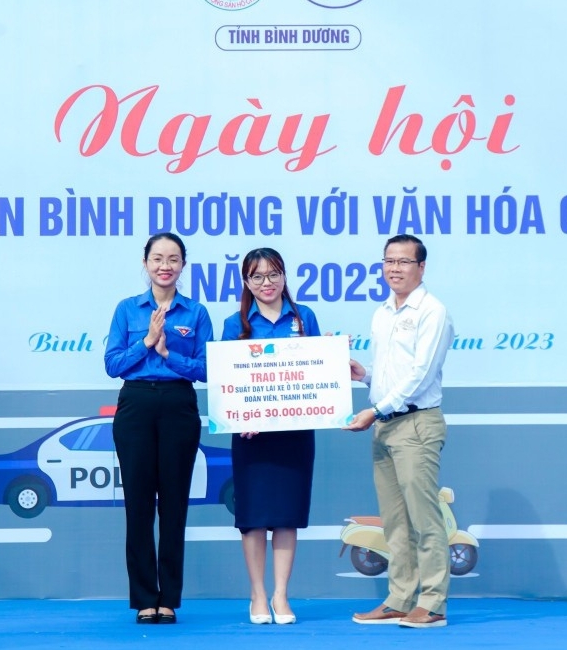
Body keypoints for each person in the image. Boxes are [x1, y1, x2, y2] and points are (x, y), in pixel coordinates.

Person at [343, 234, 455, 629]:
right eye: (389, 261)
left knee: (424, 519)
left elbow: (421, 375)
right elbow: (393, 373)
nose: (395, 268)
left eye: (404, 261)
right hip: (385, 425)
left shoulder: (433, 311)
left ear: (421, 267)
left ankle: (433, 603)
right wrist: (364, 375)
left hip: (415, 424)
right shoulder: (382, 312)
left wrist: (375, 410)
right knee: (395, 522)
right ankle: (400, 599)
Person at [104, 232, 213, 625]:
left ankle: (168, 598)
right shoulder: (127, 309)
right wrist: (147, 342)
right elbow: (113, 365)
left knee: (173, 504)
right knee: (137, 505)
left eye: (173, 259)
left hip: (178, 405)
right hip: (136, 405)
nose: (165, 266)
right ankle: (143, 598)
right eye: (157, 258)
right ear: (145, 262)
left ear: (183, 264)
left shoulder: (195, 312)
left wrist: (169, 354)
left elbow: (208, 368)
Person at [220, 248, 321, 625]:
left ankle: (280, 594)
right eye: (258, 276)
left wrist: (329, 356)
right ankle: (257, 595)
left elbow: (315, 373)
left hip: (294, 433)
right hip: (252, 436)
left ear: (284, 276)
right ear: (247, 282)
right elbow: (225, 379)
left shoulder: (304, 317)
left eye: (274, 274)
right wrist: (240, 412)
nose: (267, 283)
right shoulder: (235, 324)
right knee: (254, 517)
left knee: (286, 515)